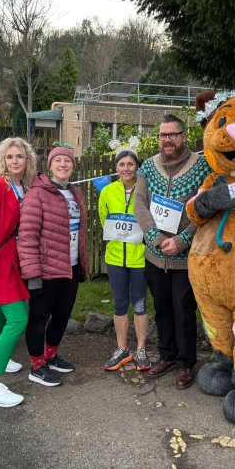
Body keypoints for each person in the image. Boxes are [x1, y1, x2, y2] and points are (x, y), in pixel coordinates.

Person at [134, 114, 211, 389]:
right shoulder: (148, 167)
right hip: (155, 257)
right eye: (163, 135)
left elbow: (206, 206)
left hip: (184, 258)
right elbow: (140, 204)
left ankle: (186, 363)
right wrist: (153, 236)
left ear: (183, 136)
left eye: (172, 134)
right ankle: (167, 355)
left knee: (184, 310)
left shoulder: (202, 166)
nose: (167, 140)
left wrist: (184, 239)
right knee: (163, 308)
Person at [18, 142, 88, 388]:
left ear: (73, 166)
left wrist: (81, 264)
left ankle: (51, 355)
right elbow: (27, 237)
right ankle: (36, 366)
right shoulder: (36, 194)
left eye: (67, 161)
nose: (63, 164)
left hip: (70, 267)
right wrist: (33, 275)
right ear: (49, 166)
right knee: (38, 318)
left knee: (61, 316)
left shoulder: (76, 193)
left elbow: (79, 233)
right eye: (58, 161)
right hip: (46, 271)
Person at [0, 137, 37, 407]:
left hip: (14, 261)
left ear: (28, 160)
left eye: (20, 157)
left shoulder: (23, 187)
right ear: (3, 159)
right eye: (10, 156)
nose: (15, 161)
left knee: (0, 314)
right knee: (18, 320)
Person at [99, 148, 150, 371]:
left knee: (140, 303)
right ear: (116, 168)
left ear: (136, 166)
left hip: (140, 258)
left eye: (130, 164)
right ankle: (122, 349)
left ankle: (141, 349)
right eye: (122, 164)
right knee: (120, 303)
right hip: (116, 257)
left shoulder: (145, 189)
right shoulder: (108, 191)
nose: (126, 168)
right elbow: (104, 220)